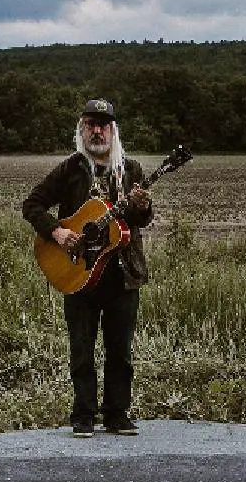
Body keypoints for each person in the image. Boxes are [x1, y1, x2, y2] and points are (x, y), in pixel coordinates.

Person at [22, 98, 153, 437]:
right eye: (91, 124)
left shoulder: (132, 171)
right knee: (81, 349)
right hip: (78, 272)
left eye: (103, 125)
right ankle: (83, 416)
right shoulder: (69, 170)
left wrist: (143, 207)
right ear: (82, 129)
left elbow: (139, 220)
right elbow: (32, 204)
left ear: (113, 130)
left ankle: (116, 414)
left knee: (120, 351)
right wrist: (57, 231)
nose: (97, 130)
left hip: (122, 275)